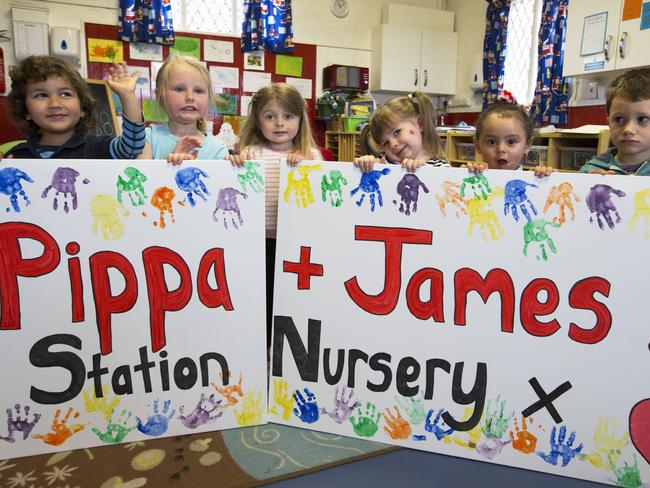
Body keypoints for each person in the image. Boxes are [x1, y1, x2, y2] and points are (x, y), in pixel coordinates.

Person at [225, 83, 322, 347]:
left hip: (294, 242)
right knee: (260, 294)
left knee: (290, 296)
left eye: (288, 116)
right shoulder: (250, 153)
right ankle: (259, 345)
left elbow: (321, 198)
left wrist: (307, 166)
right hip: (256, 241)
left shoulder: (309, 155)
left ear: (300, 120)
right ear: (257, 120)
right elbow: (233, 186)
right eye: (270, 116)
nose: (280, 123)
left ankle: (285, 346)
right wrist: (233, 165)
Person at [5, 55, 145, 159]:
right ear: (26, 110)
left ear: (82, 108)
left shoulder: (99, 148)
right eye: (41, 95)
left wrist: (128, 95)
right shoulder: (15, 156)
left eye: (65, 94)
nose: (55, 104)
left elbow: (131, 148)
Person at [140, 55, 228, 165]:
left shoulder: (217, 148)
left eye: (198, 91)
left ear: (208, 98)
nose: (190, 97)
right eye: (179, 89)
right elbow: (142, 178)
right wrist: (170, 163)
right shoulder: (147, 137)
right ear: (160, 96)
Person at [579, 67, 650, 176]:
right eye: (619, 119)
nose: (628, 130)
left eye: (642, 119)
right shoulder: (590, 170)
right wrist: (545, 178)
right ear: (608, 122)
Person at [354, 91, 448, 172]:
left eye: (397, 132)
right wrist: (366, 164)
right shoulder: (385, 165)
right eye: (386, 143)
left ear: (420, 124)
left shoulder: (443, 169)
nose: (393, 144)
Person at [467, 91, 553, 177]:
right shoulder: (472, 174)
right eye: (491, 142)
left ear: (527, 145)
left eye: (511, 142)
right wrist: (464, 173)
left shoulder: (533, 178)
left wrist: (547, 178)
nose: (501, 149)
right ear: (477, 144)